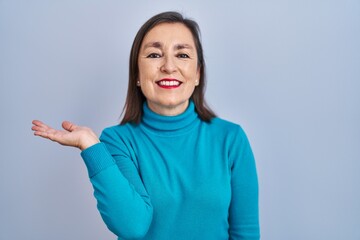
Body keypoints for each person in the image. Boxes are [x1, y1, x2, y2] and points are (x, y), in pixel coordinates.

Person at [31, 11, 260, 240]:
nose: (169, 66)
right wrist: (91, 146)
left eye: (182, 55)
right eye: (154, 55)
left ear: (198, 73)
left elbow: (245, 234)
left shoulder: (231, 139)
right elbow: (133, 227)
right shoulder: (116, 141)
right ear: (137, 75)